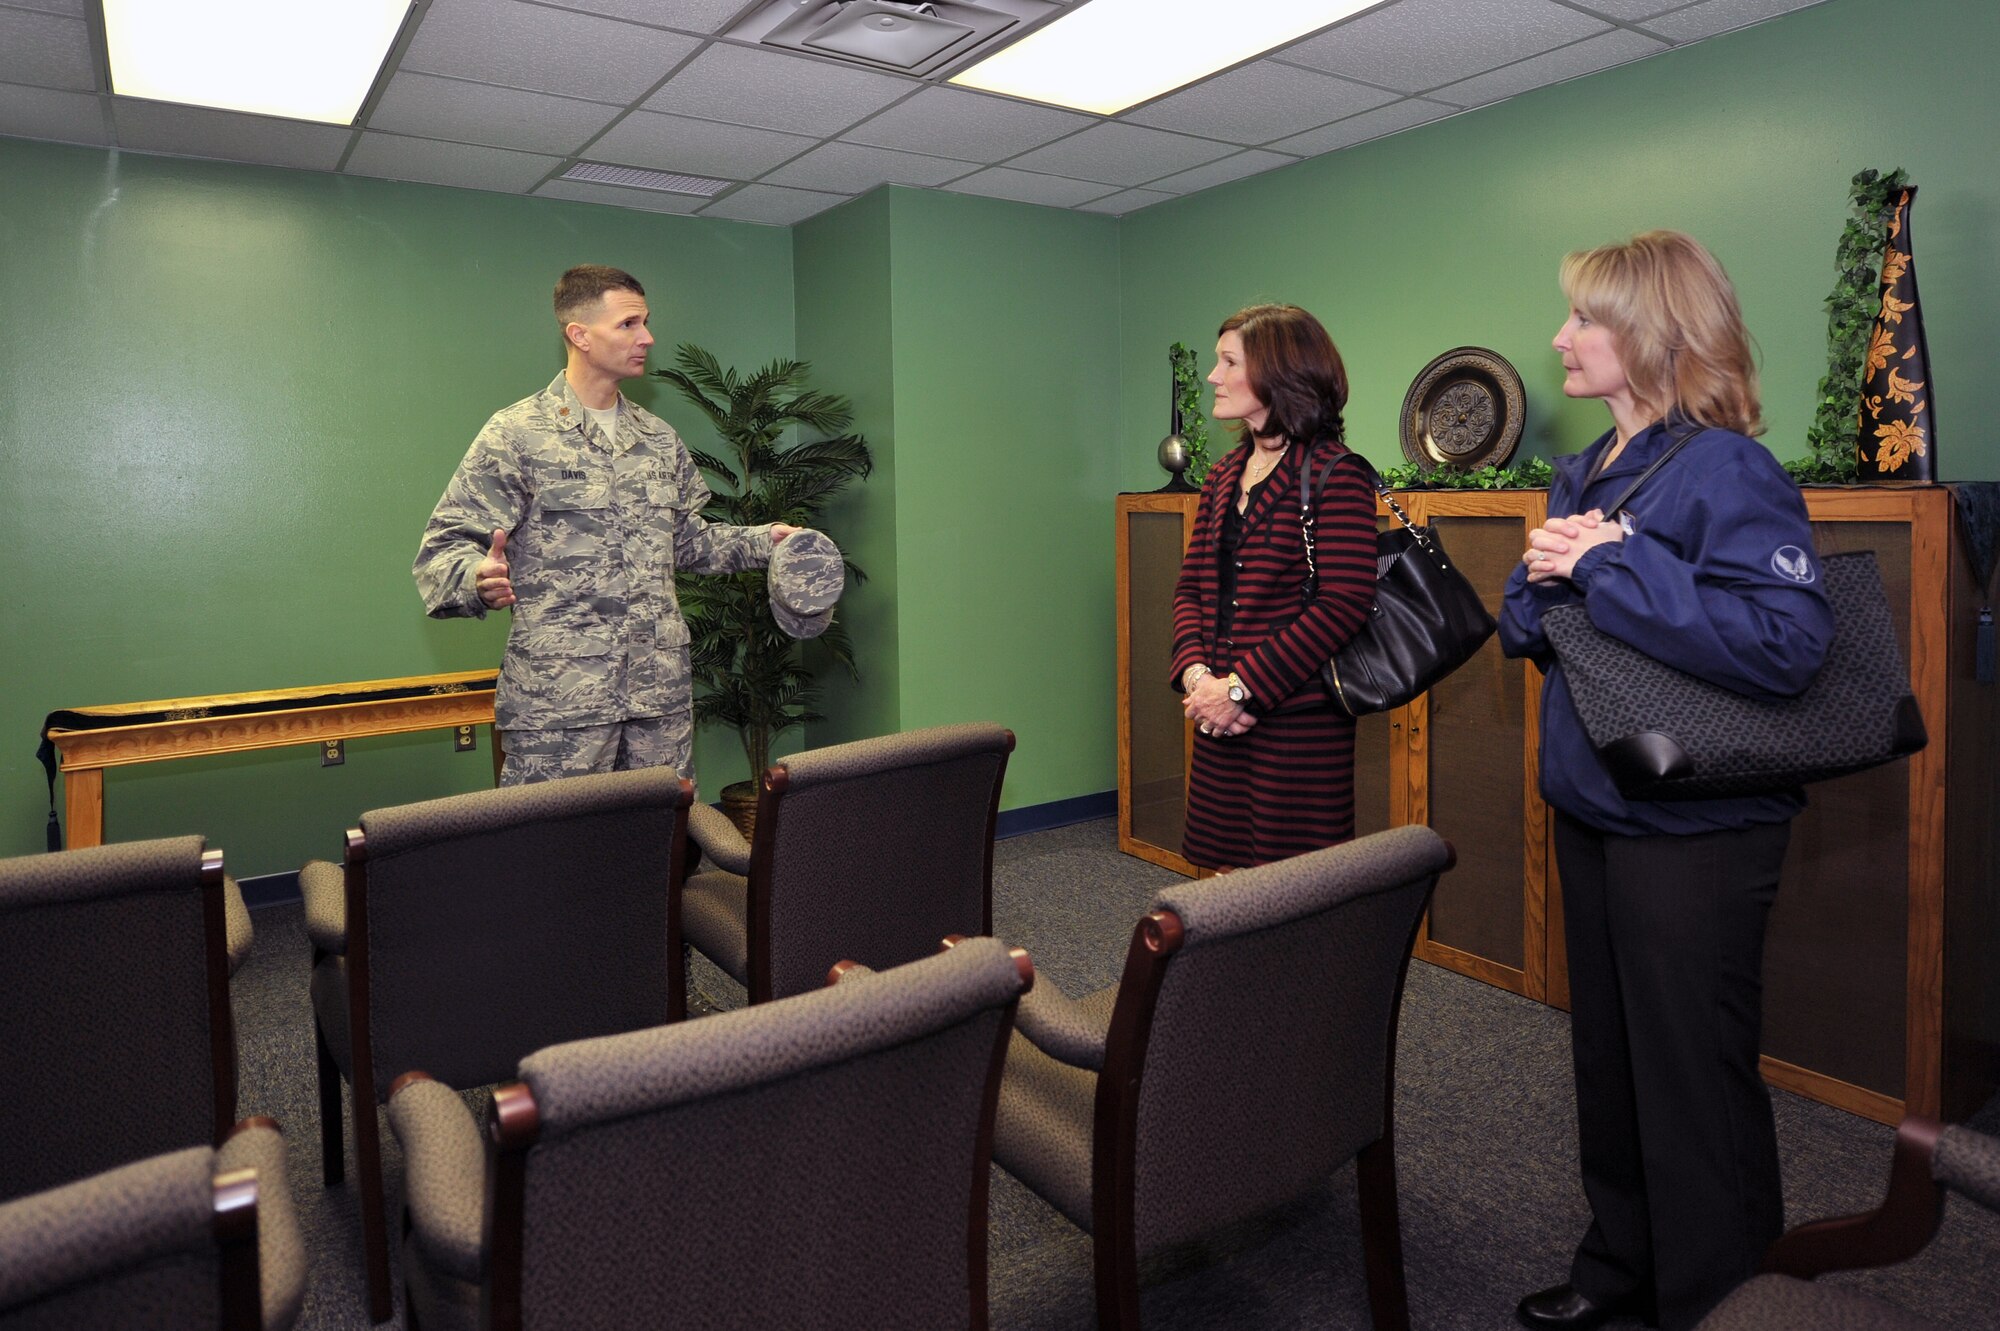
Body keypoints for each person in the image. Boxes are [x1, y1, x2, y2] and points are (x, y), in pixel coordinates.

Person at [1500, 232, 1834, 1331]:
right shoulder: (1589, 463)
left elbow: (1784, 642)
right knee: (1609, 1061)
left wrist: (1603, 561)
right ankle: (1621, 1264)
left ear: (1652, 333)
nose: (1558, 336)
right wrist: (1560, 568)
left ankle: (1718, 1301)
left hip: (1697, 826)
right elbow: (1523, 620)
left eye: (1582, 319)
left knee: (1691, 1078)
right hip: (1598, 806)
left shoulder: (1724, 464)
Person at [414, 264, 793, 786]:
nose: (647, 338)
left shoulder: (659, 438)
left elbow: (690, 543)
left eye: (646, 322)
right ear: (580, 335)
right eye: (629, 324)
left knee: (657, 851)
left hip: (657, 702)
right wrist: (476, 578)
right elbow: (444, 547)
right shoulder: (517, 434)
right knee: (553, 852)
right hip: (560, 704)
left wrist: (763, 541)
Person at [1168, 304, 1378, 870]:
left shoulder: (1338, 472)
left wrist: (1243, 689)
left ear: (1277, 374)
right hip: (1218, 721)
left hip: (1297, 731)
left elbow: (1343, 604)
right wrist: (1201, 680)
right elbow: (1190, 589)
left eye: (1228, 362)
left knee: (1296, 896)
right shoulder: (1221, 475)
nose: (1213, 376)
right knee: (1222, 888)